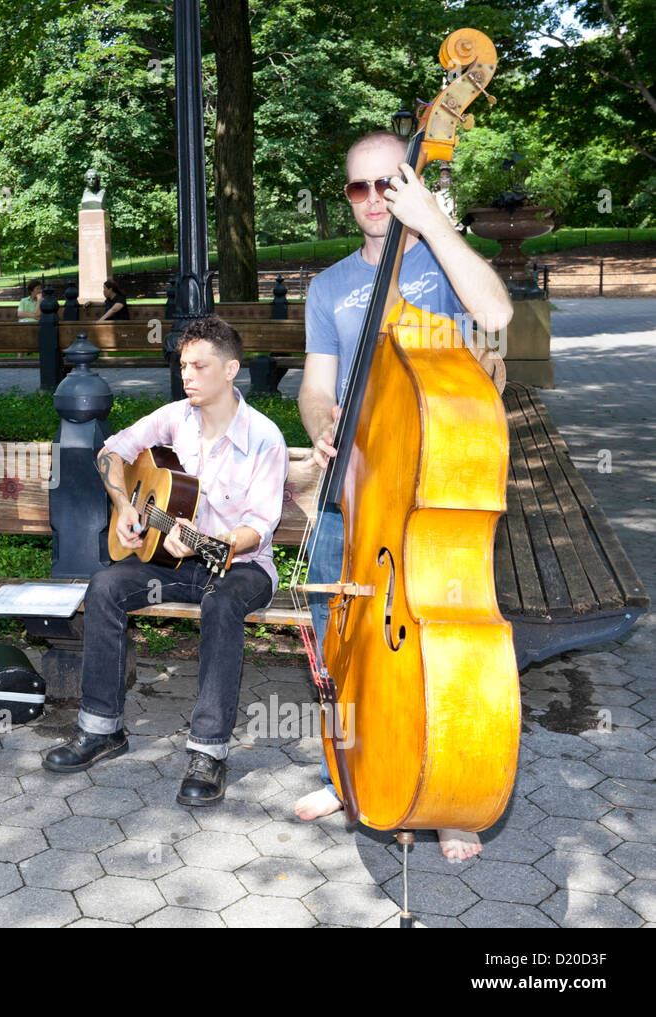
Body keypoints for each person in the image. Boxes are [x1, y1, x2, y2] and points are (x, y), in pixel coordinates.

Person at [294, 130, 512, 860]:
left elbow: (498, 314)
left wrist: (435, 222)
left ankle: (446, 789)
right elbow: (316, 387)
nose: (374, 201)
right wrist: (322, 424)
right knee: (344, 637)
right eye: (360, 188)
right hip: (355, 489)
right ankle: (347, 771)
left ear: (411, 182)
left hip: (431, 485)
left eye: (389, 184)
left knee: (444, 645)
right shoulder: (328, 288)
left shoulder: (439, 260)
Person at [43, 315, 287, 805]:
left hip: (240, 567)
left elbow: (259, 527)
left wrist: (203, 542)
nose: (187, 376)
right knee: (106, 586)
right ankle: (101, 728)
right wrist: (127, 506)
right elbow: (111, 452)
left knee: (221, 604)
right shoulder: (174, 417)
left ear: (231, 369)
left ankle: (209, 752)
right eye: (182, 365)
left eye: (199, 366)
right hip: (172, 563)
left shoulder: (264, 438)